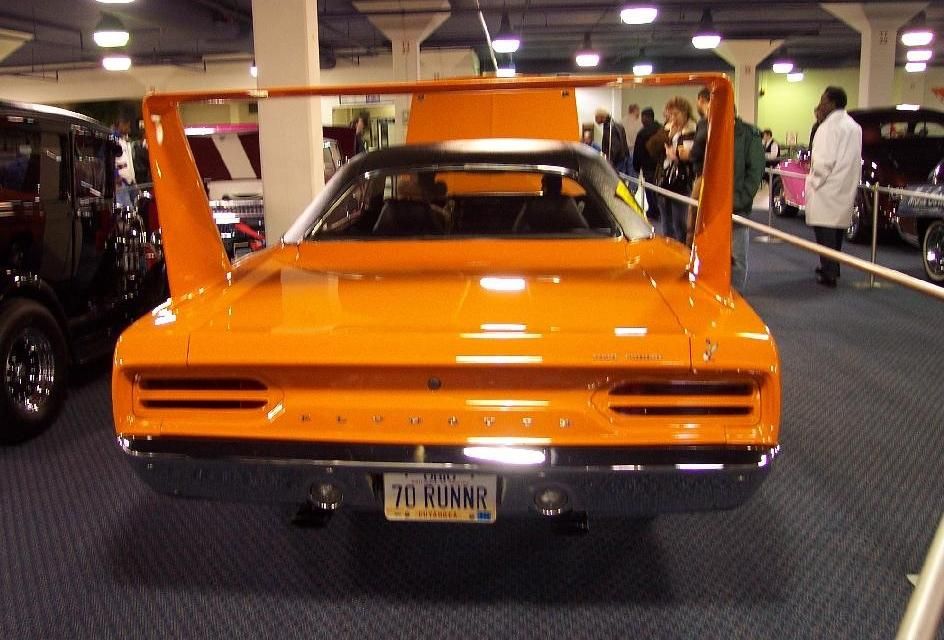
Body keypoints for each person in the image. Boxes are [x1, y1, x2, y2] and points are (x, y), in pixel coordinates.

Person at [804, 86, 863, 288]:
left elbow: (822, 162)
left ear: (832, 103)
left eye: (823, 100)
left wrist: (814, 181)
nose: (820, 104)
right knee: (837, 232)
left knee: (825, 232)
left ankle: (829, 272)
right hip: (845, 186)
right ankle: (833, 267)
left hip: (827, 188)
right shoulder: (853, 126)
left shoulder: (828, 128)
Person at [731, 115, 766, 290]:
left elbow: (755, 171)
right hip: (713, 206)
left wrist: (740, 199)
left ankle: (736, 296)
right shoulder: (709, 130)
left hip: (737, 206)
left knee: (737, 255)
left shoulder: (749, 135)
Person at [658, 96, 696, 243]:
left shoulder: (691, 131)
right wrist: (670, 136)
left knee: (680, 223)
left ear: (685, 112)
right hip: (664, 179)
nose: (673, 118)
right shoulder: (668, 129)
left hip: (681, 181)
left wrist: (676, 156)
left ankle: (682, 254)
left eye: (676, 114)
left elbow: (688, 156)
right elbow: (656, 150)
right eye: (670, 114)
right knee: (666, 223)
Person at [633, 107, 662, 220]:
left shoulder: (642, 133)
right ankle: (659, 211)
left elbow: (638, 152)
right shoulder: (661, 129)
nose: (641, 120)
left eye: (642, 117)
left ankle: (653, 211)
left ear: (646, 117)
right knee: (659, 189)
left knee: (649, 189)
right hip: (660, 166)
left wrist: (636, 166)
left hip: (648, 166)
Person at [594, 108, 629, 172]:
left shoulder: (610, 128)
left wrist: (611, 162)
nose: (595, 120)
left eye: (596, 117)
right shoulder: (611, 125)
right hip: (621, 159)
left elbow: (615, 147)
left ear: (602, 117)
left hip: (617, 161)